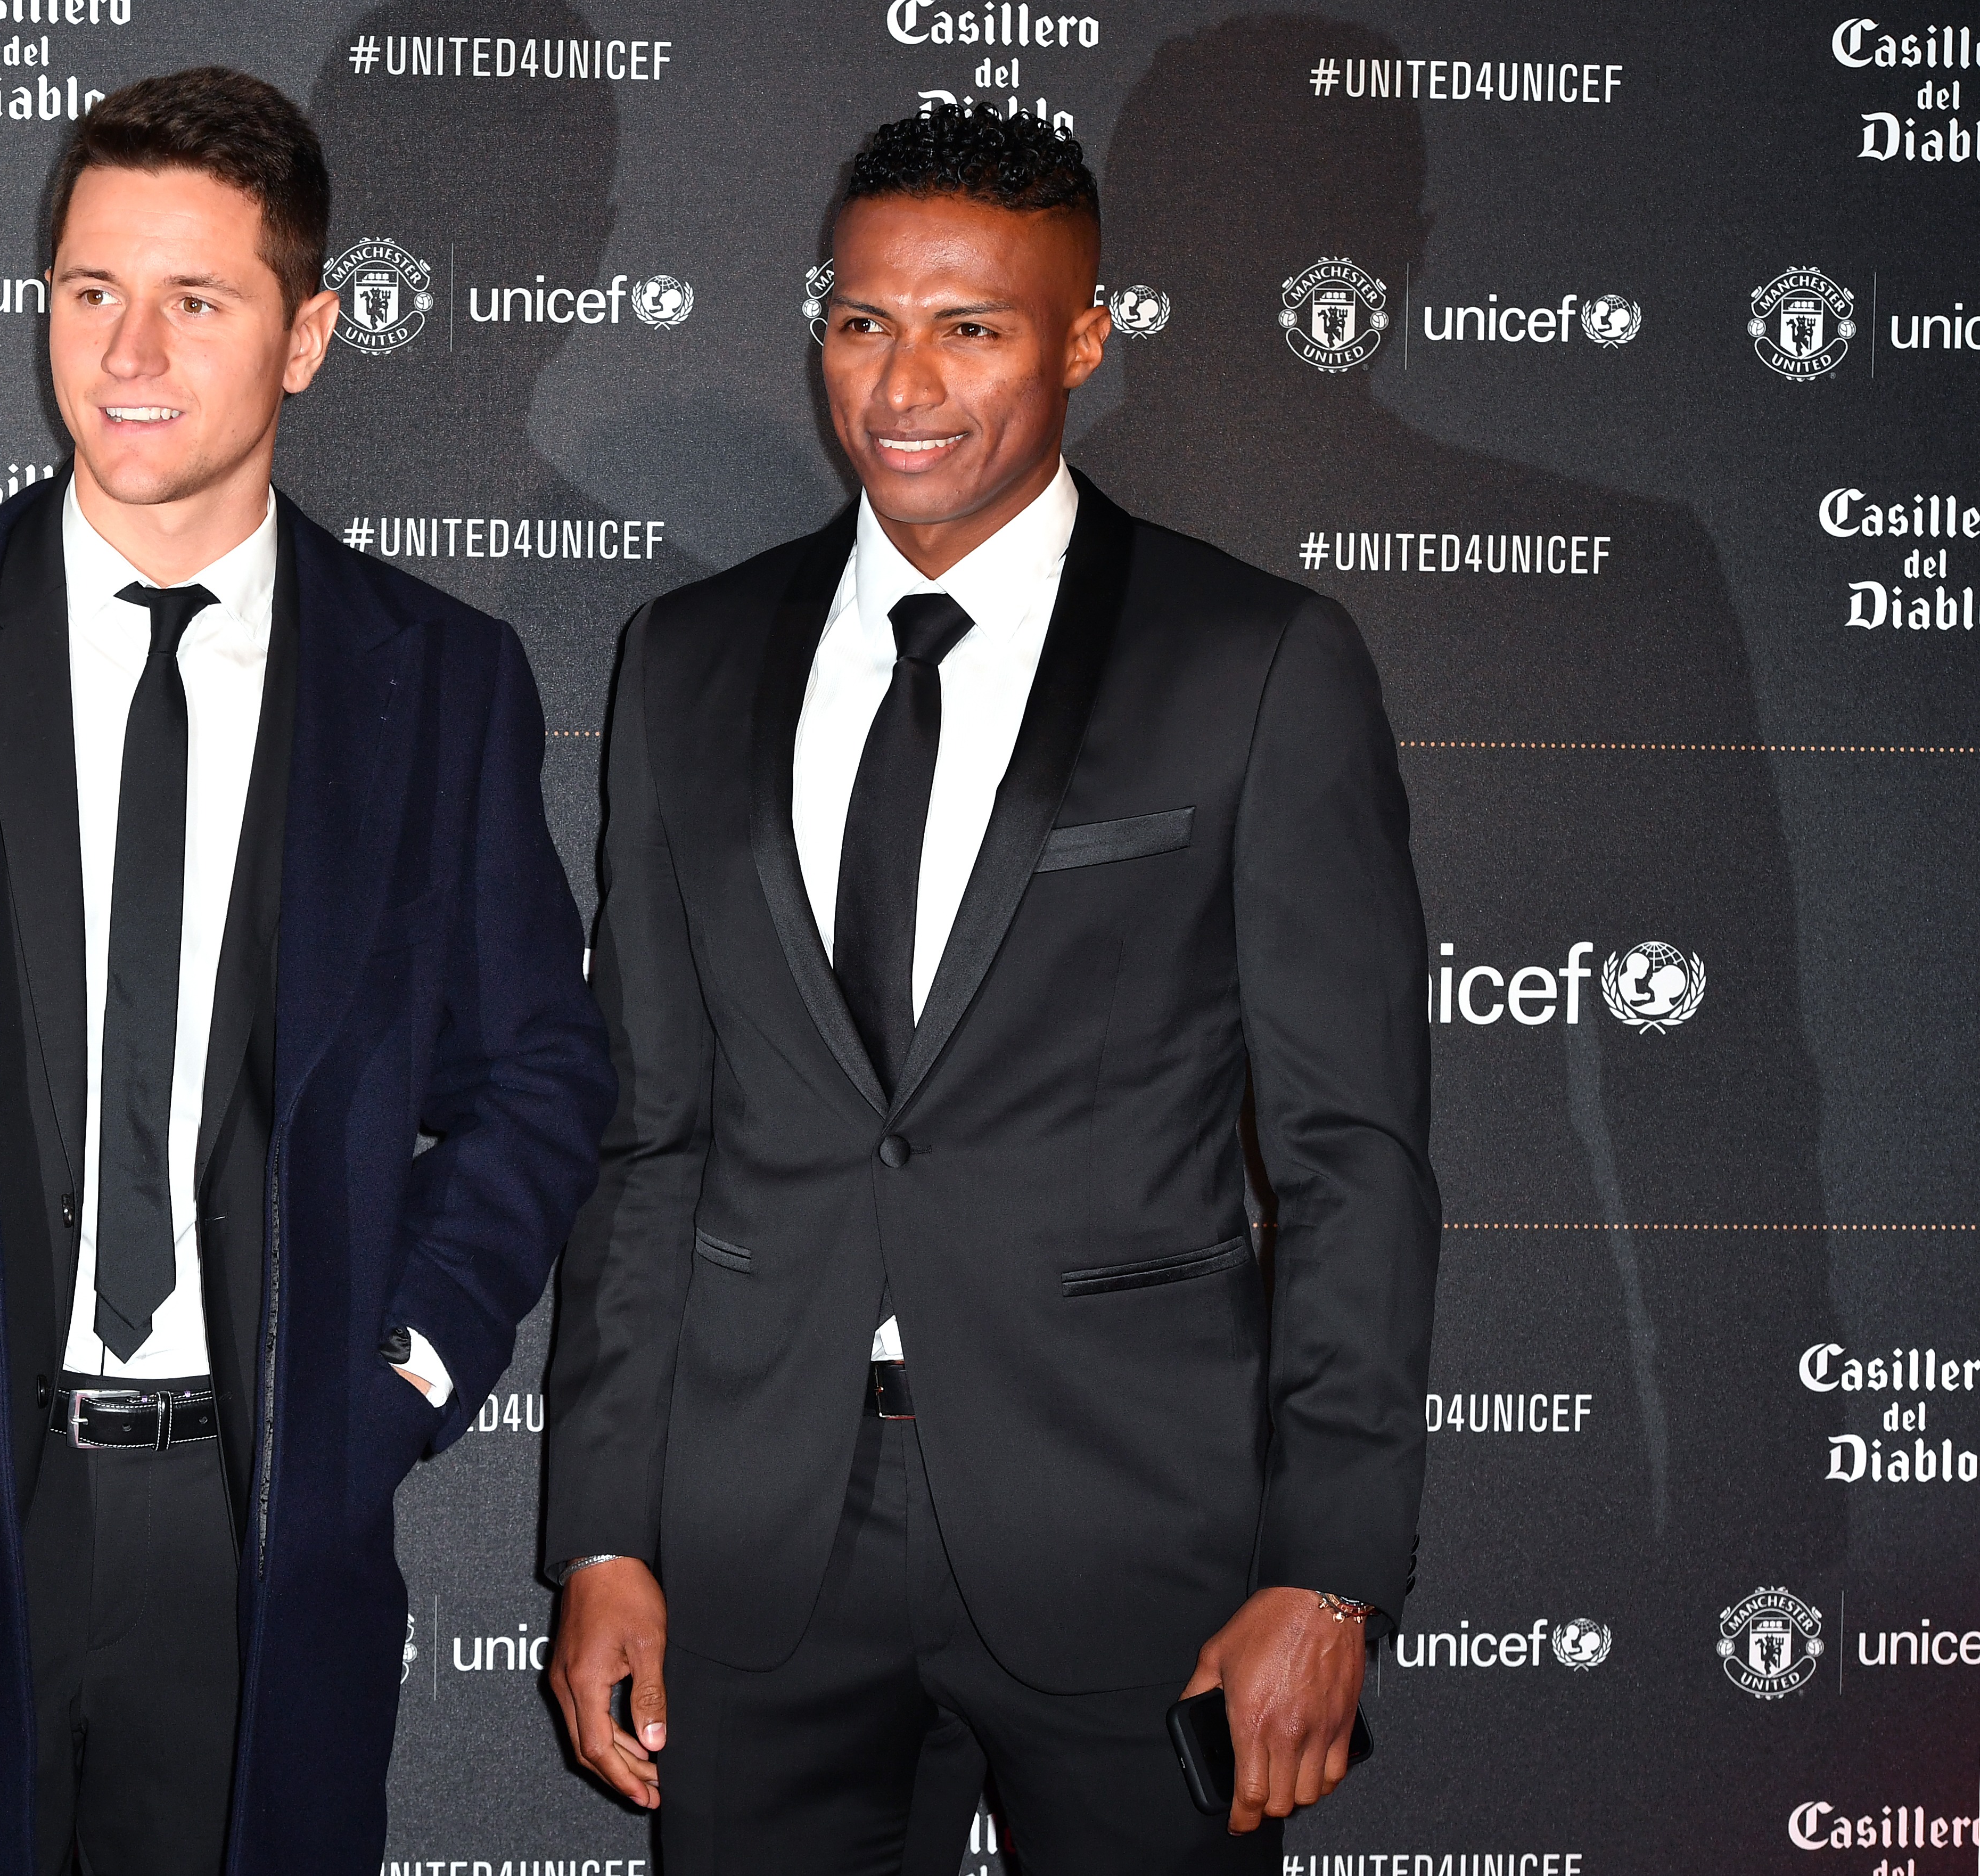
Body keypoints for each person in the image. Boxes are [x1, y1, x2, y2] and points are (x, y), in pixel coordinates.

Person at [0, 66, 612, 1876]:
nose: (128, 351)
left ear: (306, 336)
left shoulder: (440, 679)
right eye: (90, 290)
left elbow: (536, 1070)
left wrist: (401, 1371)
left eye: (196, 299)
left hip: (266, 1517)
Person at [542, 104, 1439, 1874]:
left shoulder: (1251, 660)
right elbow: (646, 1137)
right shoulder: (688, 657)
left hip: (1131, 1540)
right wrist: (602, 1535)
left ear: (1084, 339)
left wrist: (1326, 1566)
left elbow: (1351, 1154)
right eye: (864, 319)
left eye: (974, 325)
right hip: (756, 1542)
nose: (902, 383)